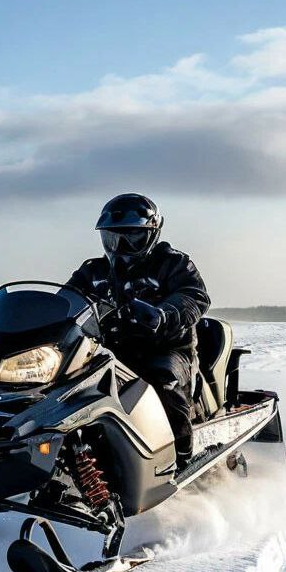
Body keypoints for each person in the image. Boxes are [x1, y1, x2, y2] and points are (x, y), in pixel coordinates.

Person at [65, 193, 210, 468]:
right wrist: (22, 310)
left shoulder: (173, 263)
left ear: (151, 234)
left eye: (131, 237)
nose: (119, 247)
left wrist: (163, 315)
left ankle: (179, 459)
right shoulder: (93, 272)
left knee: (161, 382)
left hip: (165, 348)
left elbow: (193, 295)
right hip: (107, 349)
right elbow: (64, 300)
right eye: (112, 238)